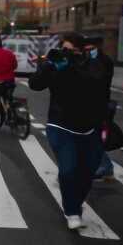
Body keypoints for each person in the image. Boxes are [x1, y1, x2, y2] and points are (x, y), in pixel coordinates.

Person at [29, 32, 107, 230]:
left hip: (88, 128)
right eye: (64, 49)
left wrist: (71, 64)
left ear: (81, 51)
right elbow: (35, 84)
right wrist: (48, 65)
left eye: (72, 50)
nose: (67, 54)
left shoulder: (92, 65)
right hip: (60, 125)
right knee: (68, 169)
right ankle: (72, 211)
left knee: (87, 173)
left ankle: (75, 203)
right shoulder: (55, 64)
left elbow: (98, 80)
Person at [84, 38, 115, 182]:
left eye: (90, 49)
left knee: (94, 137)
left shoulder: (104, 61)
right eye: (86, 50)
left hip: (99, 104)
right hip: (91, 103)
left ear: (97, 47)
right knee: (91, 136)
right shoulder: (90, 60)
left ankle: (106, 167)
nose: (88, 52)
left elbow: (100, 79)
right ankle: (101, 167)